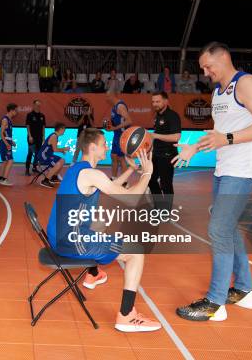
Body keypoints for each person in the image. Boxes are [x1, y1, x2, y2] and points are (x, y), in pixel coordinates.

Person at [174, 42, 252, 321]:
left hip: (244, 169)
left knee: (218, 229)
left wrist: (228, 139)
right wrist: (193, 148)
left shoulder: (246, 83)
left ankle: (215, 303)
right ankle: (245, 291)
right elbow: (219, 132)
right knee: (228, 228)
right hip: (225, 169)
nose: (206, 72)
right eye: (203, 68)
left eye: (208, 66)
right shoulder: (218, 93)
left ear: (224, 58)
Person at [47, 128, 161, 332]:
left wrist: (131, 170)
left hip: (59, 236)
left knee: (99, 222)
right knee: (135, 252)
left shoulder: (77, 169)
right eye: (103, 144)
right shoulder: (91, 173)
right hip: (73, 242)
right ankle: (127, 316)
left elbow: (110, 185)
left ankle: (93, 273)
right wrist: (147, 173)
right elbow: (133, 198)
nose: (107, 147)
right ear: (92, 147)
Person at [148, 92, 181, 211]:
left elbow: (176, 137)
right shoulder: (157, 116)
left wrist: (156, 136)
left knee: (166, 184)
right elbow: (154, 137)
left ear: (165, 101)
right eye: (153, 102)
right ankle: (159, 205)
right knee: (150, 180)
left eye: (158, 101)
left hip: (168, 155)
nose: (155, 104)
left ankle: (166, 211)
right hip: (156, 154)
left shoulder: (173, 116)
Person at [105, 88, 132, 181]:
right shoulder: (114, 106)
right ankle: (114, 178)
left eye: (108, 96)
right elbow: (116, 121)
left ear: (113, 96)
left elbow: (129, 121)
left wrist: (115, 128)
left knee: (121, 158)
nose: (107, 98)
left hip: (122, 136)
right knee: (113, 156)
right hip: (117, 135)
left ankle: (125, 182)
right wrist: (109, 125)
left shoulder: (120, 106)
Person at [36, 123, 69, 188]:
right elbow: (55, 149)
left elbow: (54, 149)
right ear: (61, 129)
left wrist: (62, 150)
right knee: (58, 164)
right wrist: (64, 149)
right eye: (64, 129)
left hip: (48, 155)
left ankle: (54, 177)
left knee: (62, 160)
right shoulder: (54, 136)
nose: (64, 131)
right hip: (43, 156)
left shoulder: (55, 136)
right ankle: (45, 180)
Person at [0, 103, 18, 186]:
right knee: (10, 160)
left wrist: (11, 141)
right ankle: (5, 179)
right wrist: (7, 143)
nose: (16, 112)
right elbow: (1, 133)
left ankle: (1, 178)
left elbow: (6, 134)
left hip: (7, 141)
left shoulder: (9, 119)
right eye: (16, 110)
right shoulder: (5, 119)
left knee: (5, 161)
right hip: (5, 142)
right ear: (12, 110)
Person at [25, 100, 46, 176]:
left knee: (37, 153)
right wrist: (30, 136)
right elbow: (28, 126)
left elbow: (43, 127)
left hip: (39, 137)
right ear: (33, 105)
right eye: (37, 105)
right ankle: (27, 169)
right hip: (32, 138)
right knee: (30, 153)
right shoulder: (29, 115)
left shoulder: (42, 116)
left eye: (39, 105)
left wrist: (43, 137)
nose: (38, 107)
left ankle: (34, 167)